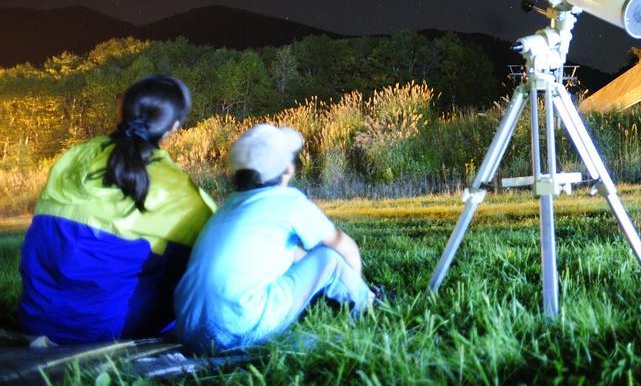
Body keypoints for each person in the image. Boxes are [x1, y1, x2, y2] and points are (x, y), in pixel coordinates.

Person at [19, 74, 216, 343]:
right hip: (102, 333)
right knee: (199, 257)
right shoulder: (178, 189)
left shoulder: (75, 156)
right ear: (173, 128)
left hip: (36, 319)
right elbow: (218, 245)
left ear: (120, 110)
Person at [174, 123, 374, 351]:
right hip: (242, 326)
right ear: (287, 170)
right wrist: (356, 285)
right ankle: (369, 305)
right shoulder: (288, 201)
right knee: (329, 258)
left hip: (190, 331)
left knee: (306, 259)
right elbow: (343, 246)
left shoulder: (228, 207)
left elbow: (292, 255)